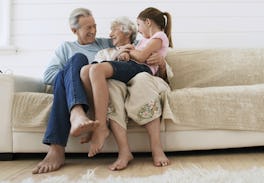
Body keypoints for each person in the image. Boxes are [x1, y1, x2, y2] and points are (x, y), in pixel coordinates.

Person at [32, 8, 170, 174]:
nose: (94, 31)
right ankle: (75, 115)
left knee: (85, 67)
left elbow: (137, 48)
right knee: (76, 61)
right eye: (87, 28)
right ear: (74, 31)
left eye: (94, 26)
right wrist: (72, 78)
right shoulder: (66, 47)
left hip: (98, 83)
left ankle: (64, 138)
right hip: (76, 87)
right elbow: (48, 76)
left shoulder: (107, 43)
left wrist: (161, 61)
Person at [80, 7, 173, 158]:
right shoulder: (142, 42)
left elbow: (141, 57)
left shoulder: (156, 37)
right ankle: (100, 126)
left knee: (96, 70)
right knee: (85, 70)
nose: (110, 35)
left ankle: (101, 126)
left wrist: (128, 50)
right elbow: (136, 55)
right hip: (125, 71)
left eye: (139, 25)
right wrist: (124, 52)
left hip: (139, 70)